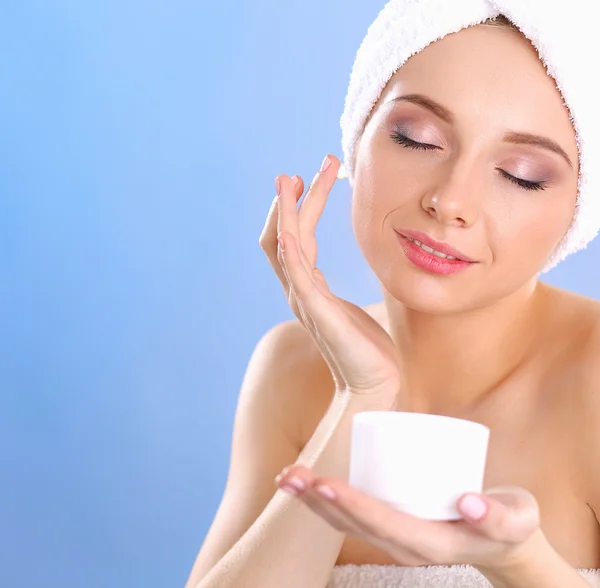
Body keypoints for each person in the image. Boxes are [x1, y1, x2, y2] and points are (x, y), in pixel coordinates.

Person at [187, 2, 600, 587]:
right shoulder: (292, 370)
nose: (450, 200)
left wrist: (518, 561)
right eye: (417, 139)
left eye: (521, 174)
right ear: (358, 138)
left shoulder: (593, 377)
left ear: (579, 212)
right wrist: (361, 395)